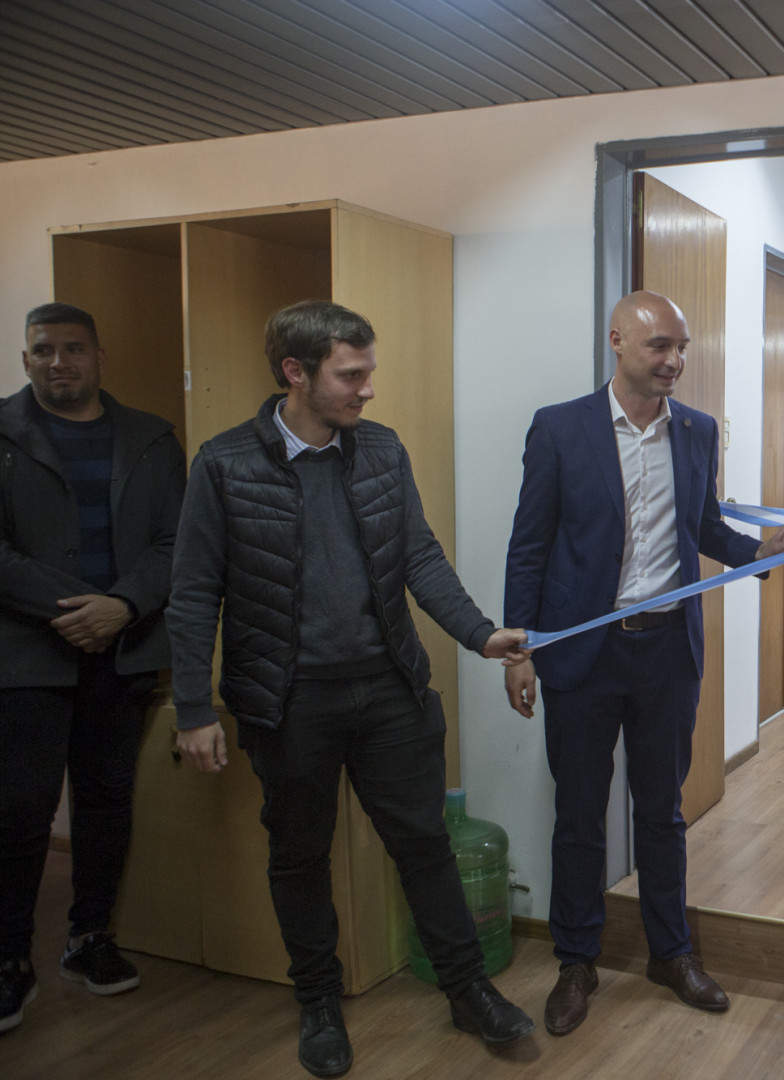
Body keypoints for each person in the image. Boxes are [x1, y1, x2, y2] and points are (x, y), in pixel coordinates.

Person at [169, 300, 535, 1078]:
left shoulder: (382, 450)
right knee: (299, 856)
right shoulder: (223, 464)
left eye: (368, 372)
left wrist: (480, 634)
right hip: (288, 701)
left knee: (424, 845)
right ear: (295, 373)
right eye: (351, 374)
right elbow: (194, 593)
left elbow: (419, 556)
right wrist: (195, 709)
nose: (367, 389)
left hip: (390, 688)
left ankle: (468, 991)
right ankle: (319, 1002)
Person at [502, 290, 784, 1038]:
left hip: (667, 653)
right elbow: (529, 545)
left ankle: (670, 954)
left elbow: (704, 528)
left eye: (682, 347)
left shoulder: (696, 431)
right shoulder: (559, 428)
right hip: (581, 653)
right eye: (659, 346)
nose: (674, 360)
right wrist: (519, 648)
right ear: (617, 341)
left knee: (663, 813)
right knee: (579, 815)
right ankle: (576, 960)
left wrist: (762, 551)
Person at [0, 303, 186, 1034]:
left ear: (99, 358)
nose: (59, 362)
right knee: (21, 810)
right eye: (43, 349)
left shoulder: (152, 439)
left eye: (73, 348)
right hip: (27, 657)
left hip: (124, 648)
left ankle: (90, 938)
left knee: (107, 800)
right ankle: (10, 959)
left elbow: (176, 543)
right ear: (26, 360)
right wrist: (76, 609)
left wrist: (122, 606)